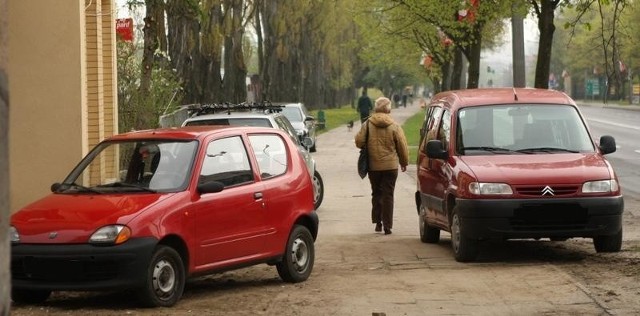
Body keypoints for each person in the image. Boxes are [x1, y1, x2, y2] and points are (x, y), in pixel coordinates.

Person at [354, 97, 409, 235]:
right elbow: (402, 146)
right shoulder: (394, 125)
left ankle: (378, 223)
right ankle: (388, 226)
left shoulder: (368, 124)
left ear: (376, 107)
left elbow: (359, 142)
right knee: (388, 195)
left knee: (376, 193)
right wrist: (404, 162)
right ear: (388, 108)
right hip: (391, 167)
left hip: (374, 167)